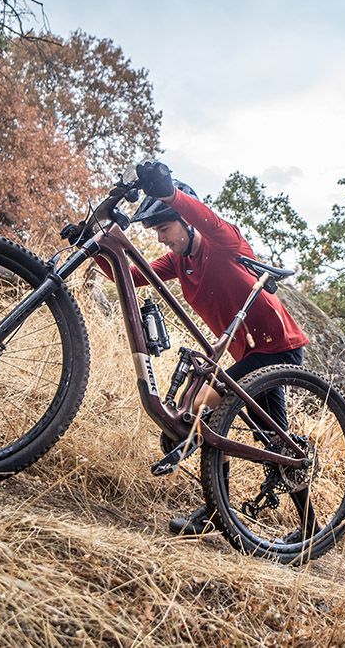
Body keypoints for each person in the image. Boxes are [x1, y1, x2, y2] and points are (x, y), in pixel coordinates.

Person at [109, 160, 309, 535]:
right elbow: (133, 276)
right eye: (155, 232)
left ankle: (218, 512)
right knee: (278, 443)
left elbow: (208, 218)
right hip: (248, 358)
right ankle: (312, 526)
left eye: (164, 229)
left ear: (185, 222)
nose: (160, 238)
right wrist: (98, 249)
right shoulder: (179, 261)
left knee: (203, 407)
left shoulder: (222, 244)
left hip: (276, 348)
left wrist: (169, 193)